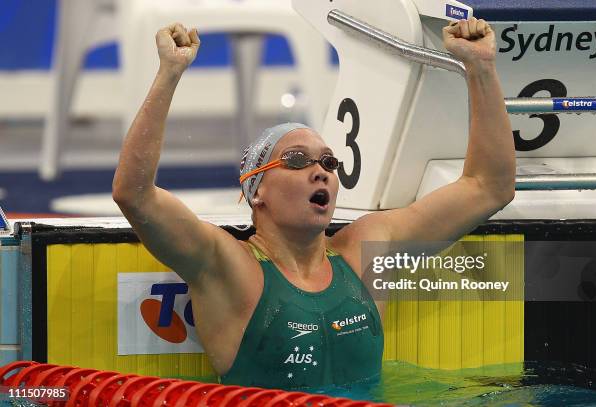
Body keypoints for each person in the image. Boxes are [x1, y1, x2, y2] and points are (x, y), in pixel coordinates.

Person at [113, 17, 514, 390]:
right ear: (258, 191)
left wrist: (479, 69)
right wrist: (170, 73)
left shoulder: (365, 250)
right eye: (296, 161)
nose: (320, 171)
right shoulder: (228, 266)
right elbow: (135, 194)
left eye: (327, 161)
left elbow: (488, 187)